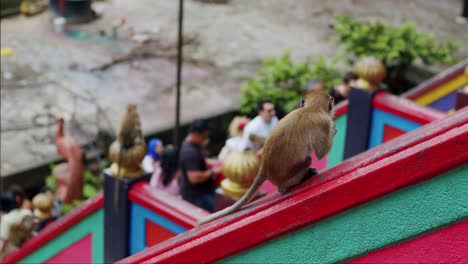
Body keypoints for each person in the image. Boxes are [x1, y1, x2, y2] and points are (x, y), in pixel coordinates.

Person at [179, 119, 221, 212]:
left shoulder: (191, 143)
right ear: (195, 134)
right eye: (204, 136)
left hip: (201, 191)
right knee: (218, 212)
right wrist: (214, 171)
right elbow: (194, 178)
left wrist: (218, 162)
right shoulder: (189, 152)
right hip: (197, 195)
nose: (206, 139)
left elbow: (201, 160)